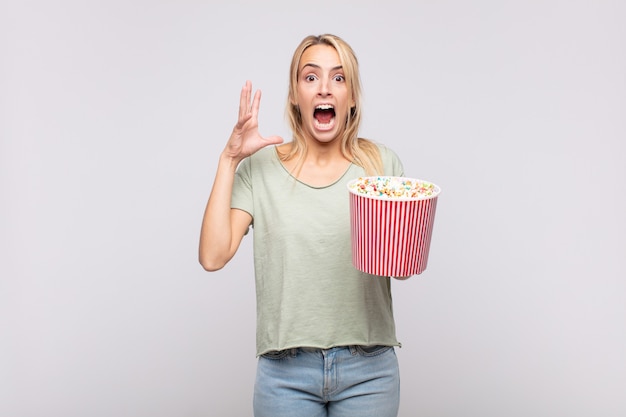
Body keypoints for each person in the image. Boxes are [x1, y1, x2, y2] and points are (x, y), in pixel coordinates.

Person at [199, 34, 405, 417]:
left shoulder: (381, 165)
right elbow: (212, 256)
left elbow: (400, 264)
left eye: (339, 78)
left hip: (369, 371)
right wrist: (229, 159)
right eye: (311, 78)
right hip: (285, 374)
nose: (324, 87)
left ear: (352, 96)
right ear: (295, 94)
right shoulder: (259, 169)